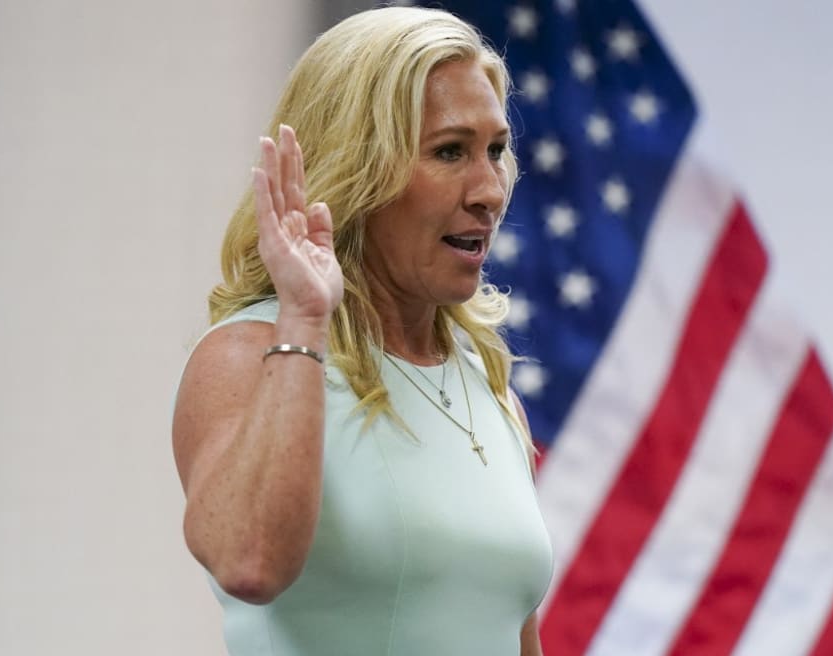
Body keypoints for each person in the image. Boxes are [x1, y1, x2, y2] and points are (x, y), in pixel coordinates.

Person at [172, 6, 552, 655]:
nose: (490, 190)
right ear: (359, 167)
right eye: (450, 151)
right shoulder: (248, 353)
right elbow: (249, 564)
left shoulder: (489, 391)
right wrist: (304, 318)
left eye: (495, 151)